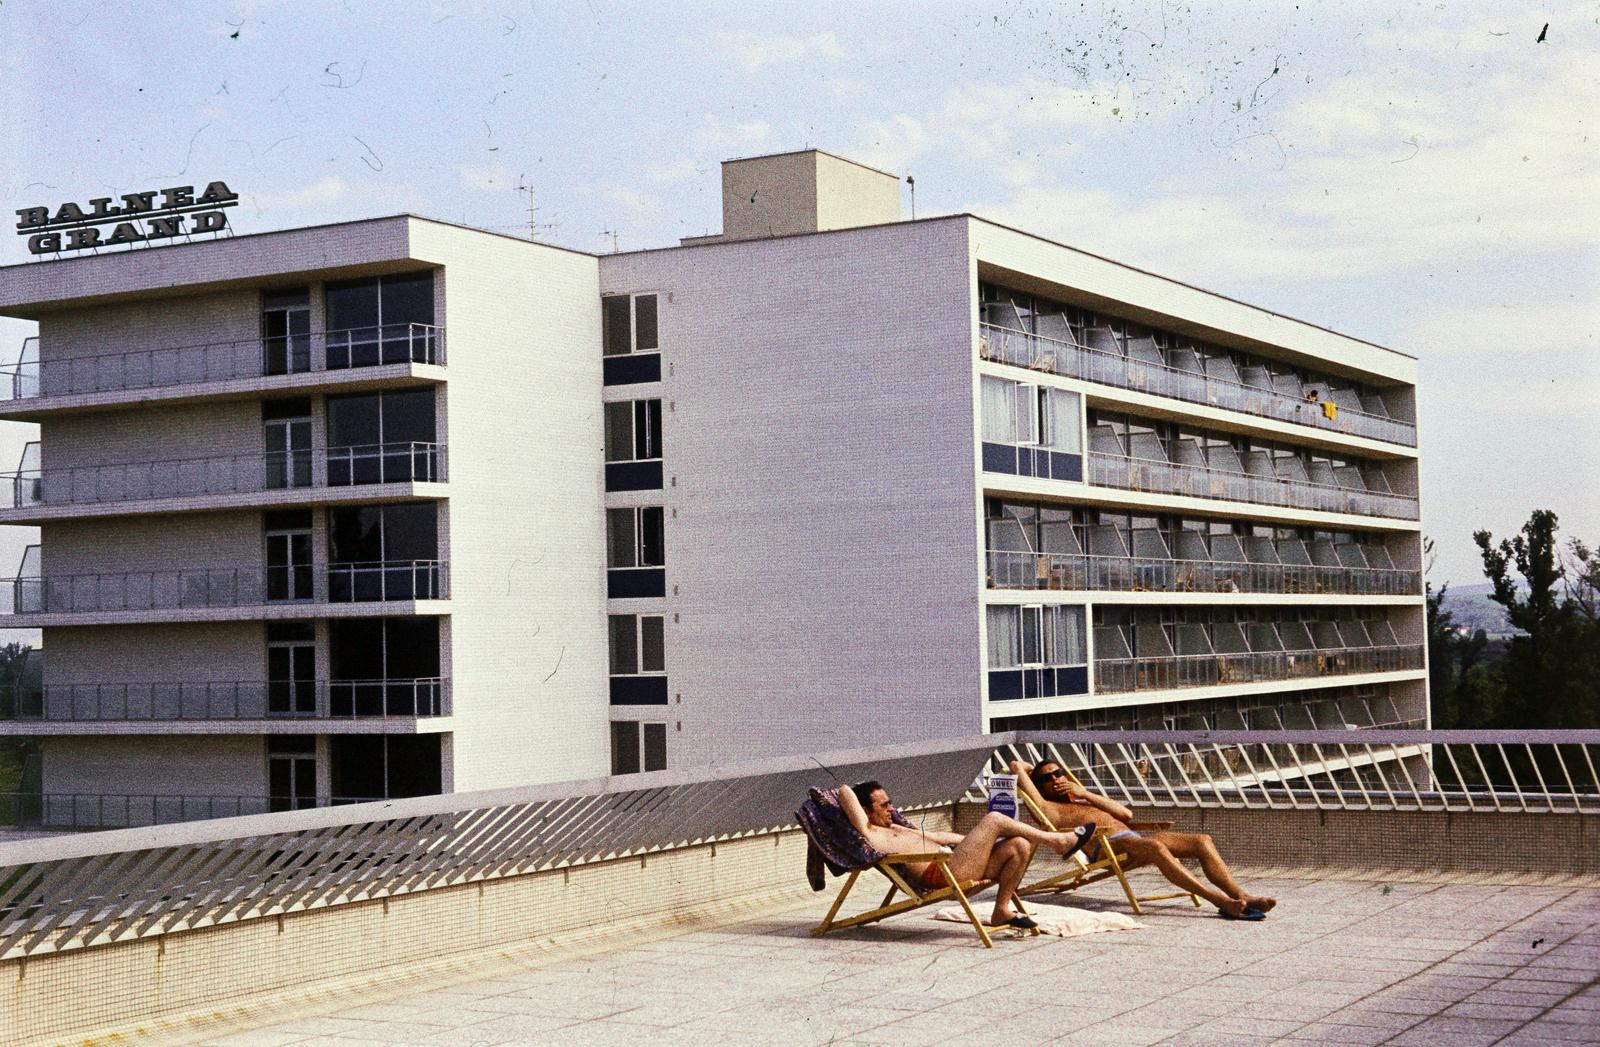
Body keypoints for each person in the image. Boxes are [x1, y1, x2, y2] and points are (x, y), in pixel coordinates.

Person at [1011, 758, 1277, 920]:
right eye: (1047, 778)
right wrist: (1028, 769)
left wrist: (1085, 793)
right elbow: (1015, 767)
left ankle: (1241, 895)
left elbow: (1125, 813)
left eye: (1059, 773)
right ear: (1039, 785)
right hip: (1106, 850)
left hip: (1131, 838)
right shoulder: (1048, 808)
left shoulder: (1081, 798)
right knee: (1153, 846)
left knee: (1201, 840)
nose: (1056, 779)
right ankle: (1221, 902)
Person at [839, 779, 1093, 930]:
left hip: (955, 863)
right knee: (994, 818)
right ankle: (1059, 842)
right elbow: (843, 791)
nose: (890, 809)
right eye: (883, 805)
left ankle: (1001, 911)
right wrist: (988, 833)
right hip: (943, 875)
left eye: (890, 803)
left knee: (1018, 845)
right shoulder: (870, 832)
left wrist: (979, 843)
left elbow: (942, 838)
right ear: (864, 810)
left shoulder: (896, 827)